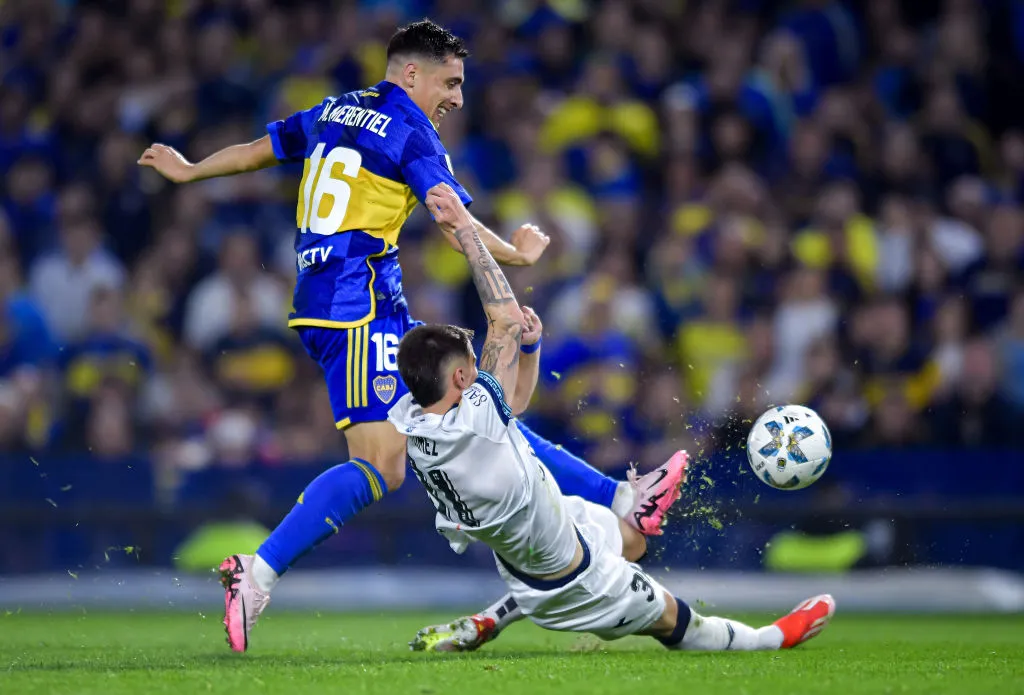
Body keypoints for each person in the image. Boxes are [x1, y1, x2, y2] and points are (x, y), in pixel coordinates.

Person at [138, 19, 687, 652]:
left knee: (473, 414)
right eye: (450, 82)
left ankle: (622, 495)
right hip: (354, 304)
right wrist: (514, 259)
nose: (457, 96)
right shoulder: (409, 129)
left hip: (347, 299)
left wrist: (190, 171)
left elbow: (263, 148)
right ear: (411, 74)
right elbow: (450, 215)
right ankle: (255, 574)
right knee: (380, 464)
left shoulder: (336, 109)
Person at [389, 183, 835, 654]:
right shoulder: (473, 417)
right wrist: (465, 229)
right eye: (473, 368)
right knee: (681, 625)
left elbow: (512, 407)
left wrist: (532, 350)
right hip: (575, 583)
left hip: (538, 546)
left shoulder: (416, 421)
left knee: (633, 539)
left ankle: (488, 619)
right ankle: (772, 639)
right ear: (459, 379)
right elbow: (503, 320)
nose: (481, 373)